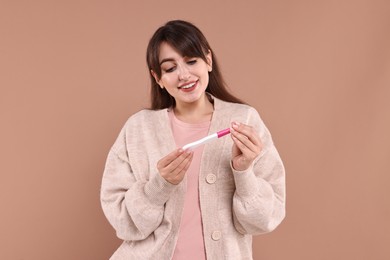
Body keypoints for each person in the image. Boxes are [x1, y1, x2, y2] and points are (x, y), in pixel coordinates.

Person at [100, 20, 286, 260]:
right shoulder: (139, 128)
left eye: (191, 61)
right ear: (157, 78)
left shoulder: (244, 119)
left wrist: (244, 172)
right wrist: (159, 186)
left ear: (208, 60)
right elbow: (122, 221)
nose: (184, 75)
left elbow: (264, 219)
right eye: (170, 68)